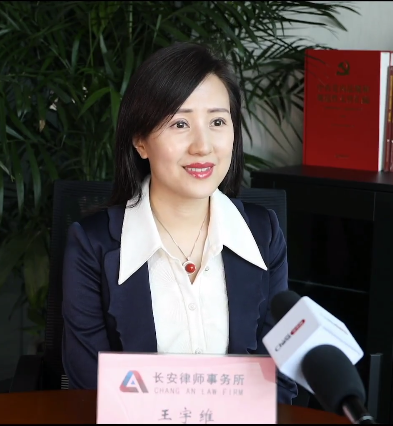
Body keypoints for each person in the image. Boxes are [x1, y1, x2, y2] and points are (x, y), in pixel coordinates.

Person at [60, 42, 298, 404]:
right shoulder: (93, 246)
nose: (203, 146)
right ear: (140, 141)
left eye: (217, 122)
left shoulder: (263, 234)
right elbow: (91, 387)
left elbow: (277, 377)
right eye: (180, 123)